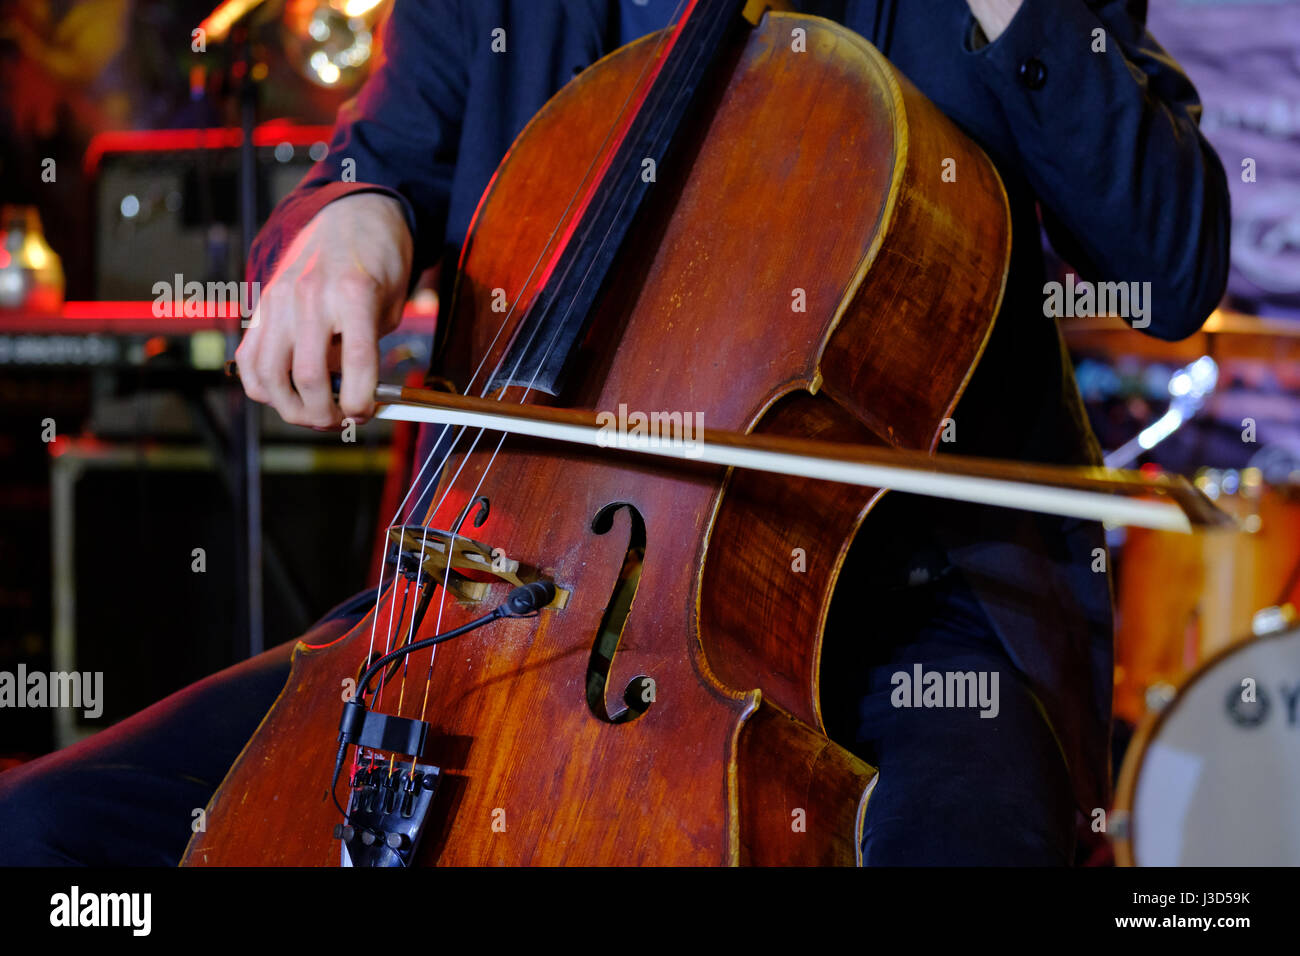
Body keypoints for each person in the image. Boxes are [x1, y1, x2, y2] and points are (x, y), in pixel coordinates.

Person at [0, 0, 1230, 866]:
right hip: (511, 589)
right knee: (50, 837)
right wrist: (347, 229)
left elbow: (1168, 263)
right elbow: (377, 160)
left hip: (919, 602)